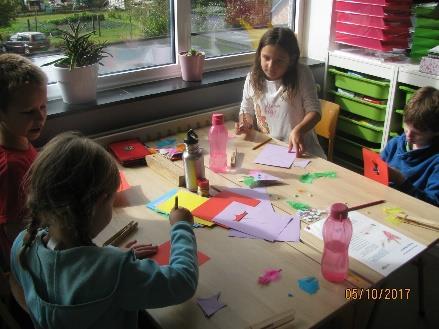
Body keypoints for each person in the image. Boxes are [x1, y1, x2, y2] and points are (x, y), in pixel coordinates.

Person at [9, 133, 198, 329]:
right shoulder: (112, 270)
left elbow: (62, 276)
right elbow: (181, 283)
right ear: (98, 203)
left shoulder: (22, 243)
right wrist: (181, 226)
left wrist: (106, 258)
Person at [236, 27, 325, 158]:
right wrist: (245, 124)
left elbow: (315, 112)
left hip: (303, 153)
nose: (271, 66)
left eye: (279, 61)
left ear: (291, 60)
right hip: (271, 151)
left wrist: (298, 131)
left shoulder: (302, 73)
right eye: (266, 58)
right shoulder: (252, 78)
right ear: (259, 54)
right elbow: (246, 110)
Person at [0, 53, 48, 271]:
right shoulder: (12, 166)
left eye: (43, 107)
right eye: (29, 111)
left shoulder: (21, 139)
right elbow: (15, 233)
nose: (39, 118)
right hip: (31, 263)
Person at [381, 86, 439, 206]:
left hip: (412, 214)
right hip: (384, 204)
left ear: (436, 131)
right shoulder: (395, 144)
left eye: (417, 133)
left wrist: (401, 181)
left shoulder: (435, 161)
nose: (408, 135)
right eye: (406, 126)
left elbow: (433, 206)